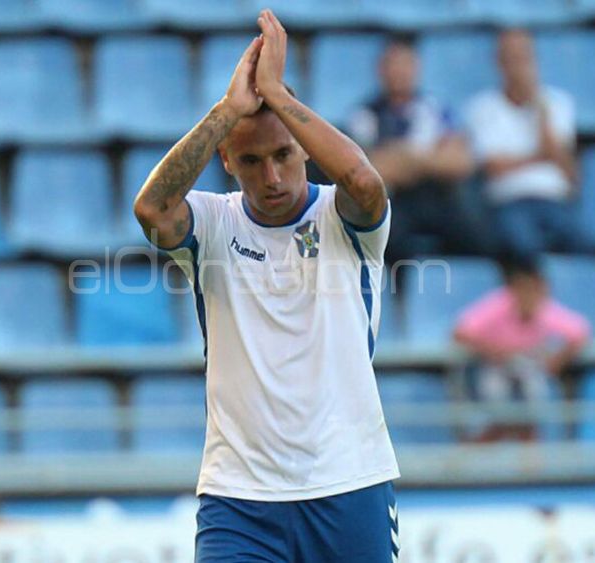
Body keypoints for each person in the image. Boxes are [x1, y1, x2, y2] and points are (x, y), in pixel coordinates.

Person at [133, 10, 400, 562]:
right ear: (227, 160)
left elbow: (363, 181)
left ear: (304, 147)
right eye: (252, 161)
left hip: (349, 481)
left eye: (283, 155)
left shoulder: (344, 218)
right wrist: (228, 110)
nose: (272, 177)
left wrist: (276, 94)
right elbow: (152, 208)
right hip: (239, 498)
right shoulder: (211, 224)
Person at [349, 40, 489, 261]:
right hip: (393, 200)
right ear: (381, 70)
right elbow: (370, 169)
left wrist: (406, 157)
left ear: (416, 67)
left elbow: (460, 162)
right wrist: (430, 157)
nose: (399, 72)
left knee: (476, 231)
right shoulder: (365, 116)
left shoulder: (435, 109)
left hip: (435, 197)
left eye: (405, 65)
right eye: (392, 65)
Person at [465, 29, 583, 257]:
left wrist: (541, 112)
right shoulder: (482, 108)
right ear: (499, 63)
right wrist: (541, 156)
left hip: (554, 199)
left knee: (582, 243)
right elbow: (493, 168)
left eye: (523, 58)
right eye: (511, 58)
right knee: (523, 246)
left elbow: (568, 169)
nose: (518, 66)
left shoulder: (556, 103)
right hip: (509, 201)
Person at [453, 257, 590, 442]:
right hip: (494, 366)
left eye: (534, 289)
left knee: (535, 400)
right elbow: (461, 332)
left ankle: (530, 464)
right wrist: (494, 352)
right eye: (524, 289)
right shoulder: (498, 303)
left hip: (529, 367)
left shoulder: (544, 307)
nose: (529, 295)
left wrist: (557, 360)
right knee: (498, 406)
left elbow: (580, 332)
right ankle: (481, 452)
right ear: (514, 288)